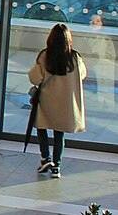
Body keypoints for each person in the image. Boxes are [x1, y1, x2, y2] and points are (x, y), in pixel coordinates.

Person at [28, 22, 86, 177]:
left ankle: (45, 157)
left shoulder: (45, 55)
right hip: (65, 102)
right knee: (59, 134)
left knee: (41, 127)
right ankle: (57, 166)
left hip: (46, 100)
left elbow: (35, 78)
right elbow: (82, 75)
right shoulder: (74, 57)